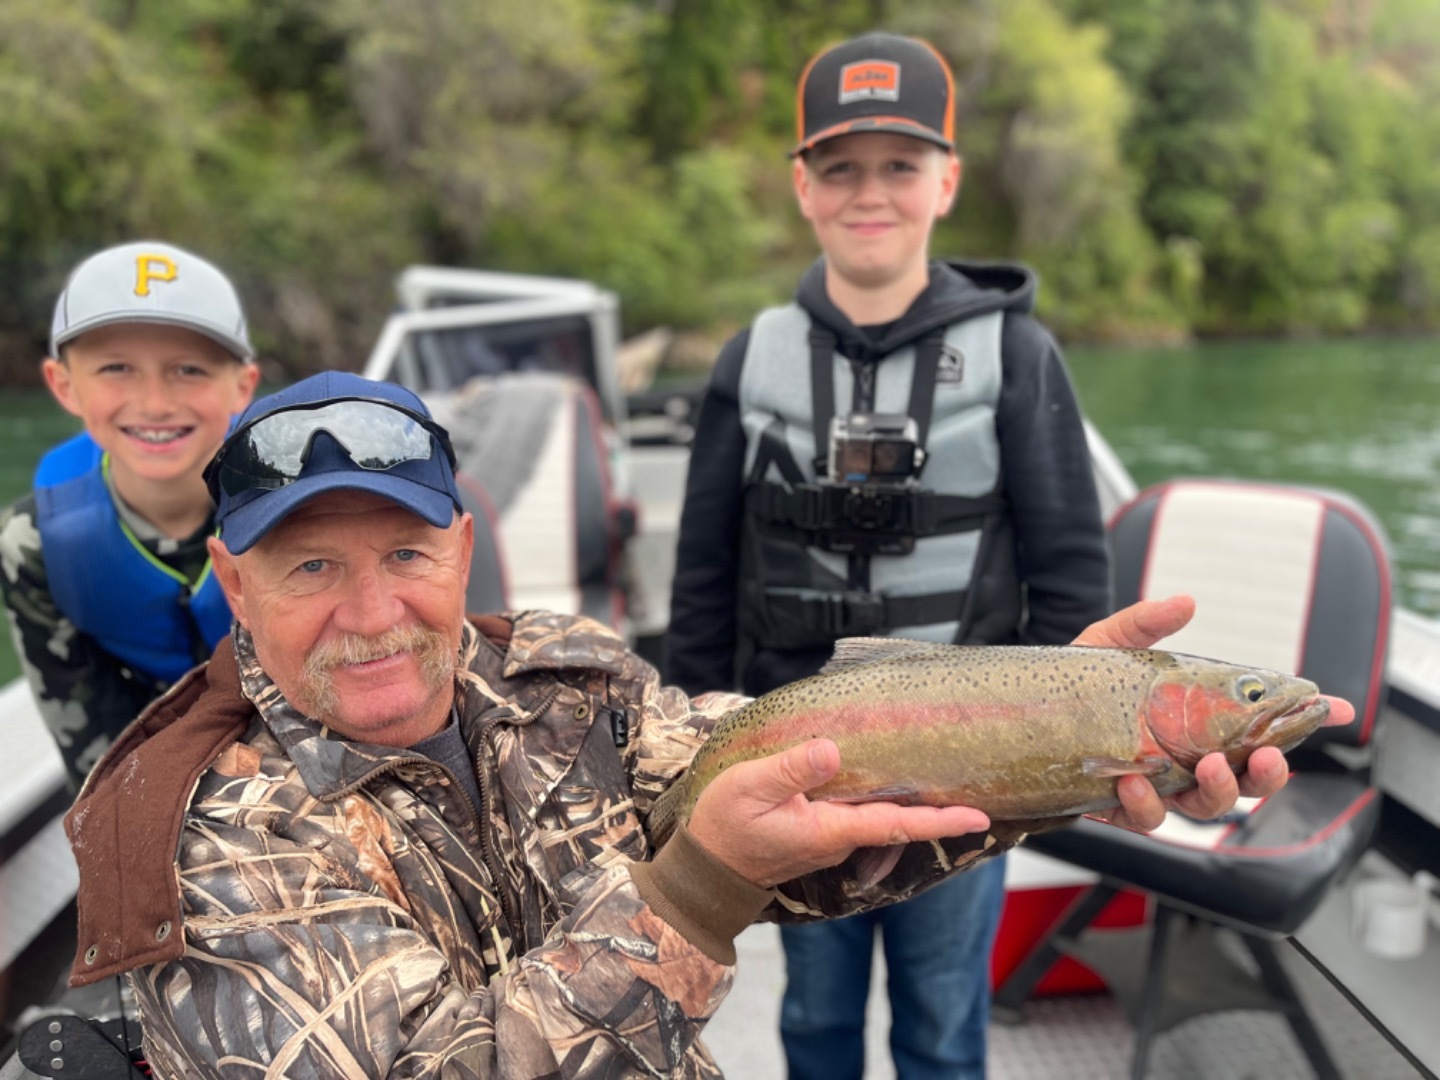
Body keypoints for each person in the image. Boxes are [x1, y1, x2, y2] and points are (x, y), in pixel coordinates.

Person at [59, 372, 1314, 1079]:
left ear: (461, 548)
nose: (374, 614)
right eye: (309, 570)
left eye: (402, 552)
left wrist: (1047, 756)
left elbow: (789, 792)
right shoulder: (188, 836)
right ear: (232, 585)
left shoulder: (565, 681)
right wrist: (696, 895)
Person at [664, 31, 1111, 1080]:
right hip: (800, 764)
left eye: (900, 166)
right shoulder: (752, 356)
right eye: (841, 167)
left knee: (943, 1019)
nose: (872, 193)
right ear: (803, 188)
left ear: (946, 181)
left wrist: (1043, 761)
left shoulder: (1019, 354)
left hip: (971, 772)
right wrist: (693, 720)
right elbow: (701, 570)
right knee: (815, 1018)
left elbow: (1072, 575)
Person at [0, 240, 260, 789]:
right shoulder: (32, 544)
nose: (156, 403)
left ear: (243, 386)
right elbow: (96, 744)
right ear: (63, 384)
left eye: (189, 369)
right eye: (116, 368)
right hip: (155, 734)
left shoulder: (294, 511)